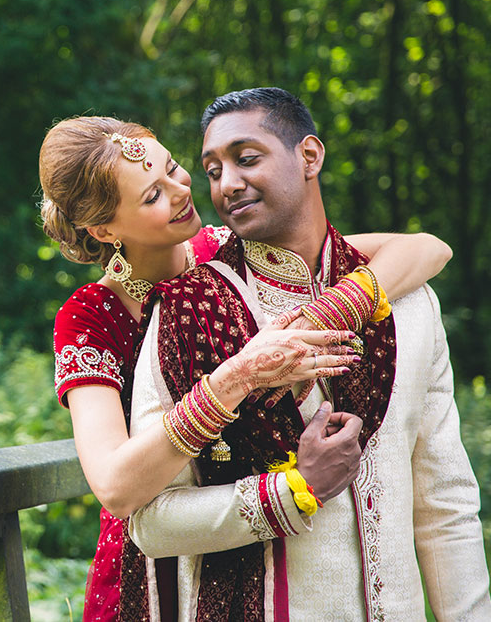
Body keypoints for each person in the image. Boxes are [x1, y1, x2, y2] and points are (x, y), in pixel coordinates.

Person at [38, 114, 453, 620]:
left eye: (172, 167)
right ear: (103, 229)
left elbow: (426, 249)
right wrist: (237, 377)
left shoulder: (227, 250)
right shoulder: (90, 316)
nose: (180, 190)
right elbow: (115, 486)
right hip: (155, 555)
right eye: (152, 195)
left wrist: (332, 309)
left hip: (264, 548)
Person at [126, 88, 491, 620]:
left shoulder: (411, 302)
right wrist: (292, 493)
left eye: (247, 159)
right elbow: (151, 524)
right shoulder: (187, 312)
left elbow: (445, 504)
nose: (226, 183)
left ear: (310, 157)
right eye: (211, 170)